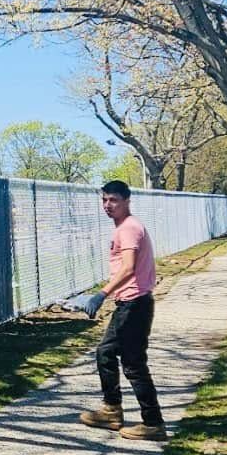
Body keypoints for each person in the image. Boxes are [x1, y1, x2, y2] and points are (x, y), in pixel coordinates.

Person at [79, 180, 165, 441]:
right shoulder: (127, 227)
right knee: (115, 356)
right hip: (132, 303)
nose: (108, 205)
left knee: (128, 362)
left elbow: (128, 268)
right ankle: (114, 410)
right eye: (104, 200)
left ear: (127, 201)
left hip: (134, 304)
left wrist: (101, 294)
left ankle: (149, 422)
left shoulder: (128, 229)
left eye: (113, 200)